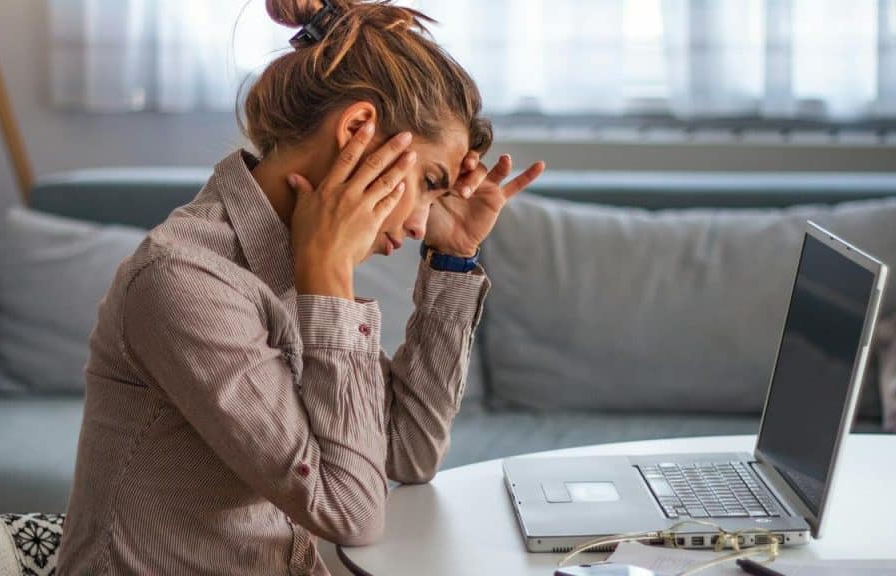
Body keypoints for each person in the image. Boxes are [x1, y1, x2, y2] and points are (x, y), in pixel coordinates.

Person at [55, 0, 545, 574]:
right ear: (358, 130)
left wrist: (454, 257)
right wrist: (329, 276)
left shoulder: (294, 259)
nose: (418, 226)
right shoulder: (182, 280)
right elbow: (350, 512)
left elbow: (408, 453)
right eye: (430, 182)